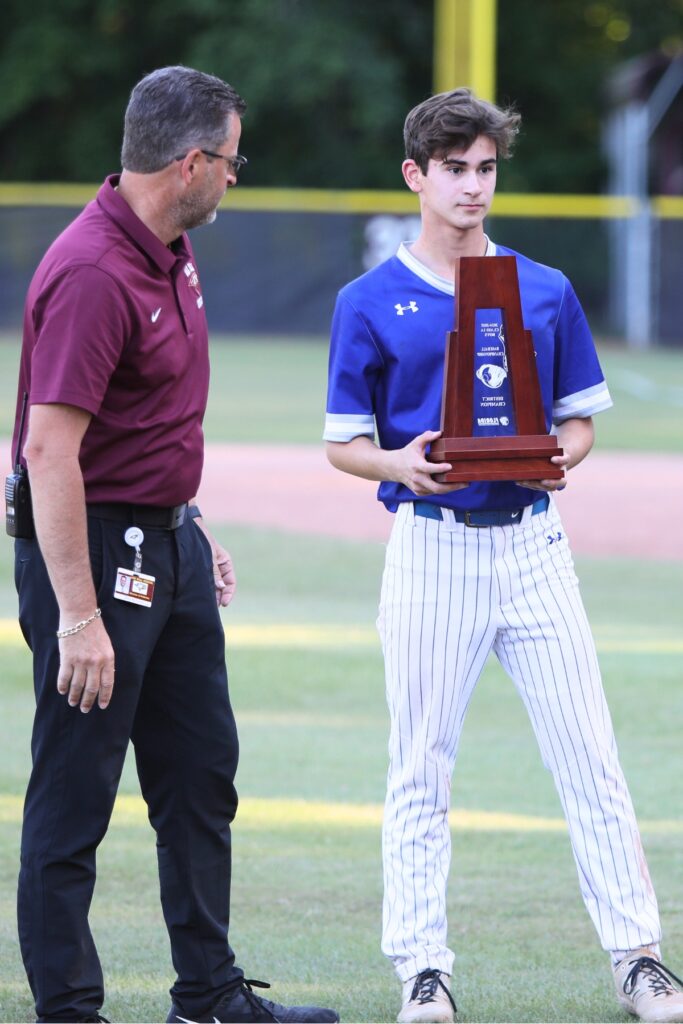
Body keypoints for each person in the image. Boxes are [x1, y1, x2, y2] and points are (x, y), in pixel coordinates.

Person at [324, 87, 683, 1024]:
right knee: (420, 765)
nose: (472, 187)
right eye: (454, 170)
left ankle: (639, 960)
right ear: (416, 175)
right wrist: (394, 462)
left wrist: (567, 453)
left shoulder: (543, 286)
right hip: (432, 549)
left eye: (485, 169)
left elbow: (576, 421)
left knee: (589, 757)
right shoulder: (369, 298)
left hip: (532, 544)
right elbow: (341, 443)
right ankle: (422, 970)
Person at [11, 65, 339, 1024]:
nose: (236, 178)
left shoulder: (168, 244)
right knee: (75, 794)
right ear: (190, 163)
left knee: (199, 780)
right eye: (232, 161)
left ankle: (208, 996)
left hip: (168, 543)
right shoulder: (91, 271)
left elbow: (143, 424)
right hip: (93, 556)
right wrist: (78, 615)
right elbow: (47, 452)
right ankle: (68, 1011)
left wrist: (187, 523)